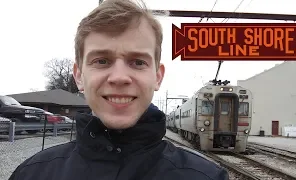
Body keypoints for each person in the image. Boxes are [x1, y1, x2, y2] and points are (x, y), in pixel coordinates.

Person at [9, 0, 229, 179]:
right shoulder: (30, 174)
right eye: (102, 61)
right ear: (78, 76)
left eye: (138, 62)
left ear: (158, 77)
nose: (119, 77)